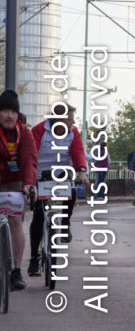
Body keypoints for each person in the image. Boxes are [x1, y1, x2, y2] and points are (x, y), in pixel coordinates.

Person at [30, 104, 90, 254]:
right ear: (58, 118)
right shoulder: (39, 130)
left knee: (72, 190)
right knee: (38, 216)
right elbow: (30, 154)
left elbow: (78, 152)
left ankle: (65, 223)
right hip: (40, 174)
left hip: (62, 173)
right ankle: (34, 257)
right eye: (70, 118)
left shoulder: (72, 132)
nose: (73, 122)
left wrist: (81, 171)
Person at [0, 90, 37, 290]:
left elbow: (29, 160)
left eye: (13, 112)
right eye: (5, 110)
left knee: (15, 221)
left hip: (15, 182)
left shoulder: (24, 132)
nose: (9, 115)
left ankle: (16, 270)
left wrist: (29, 184)